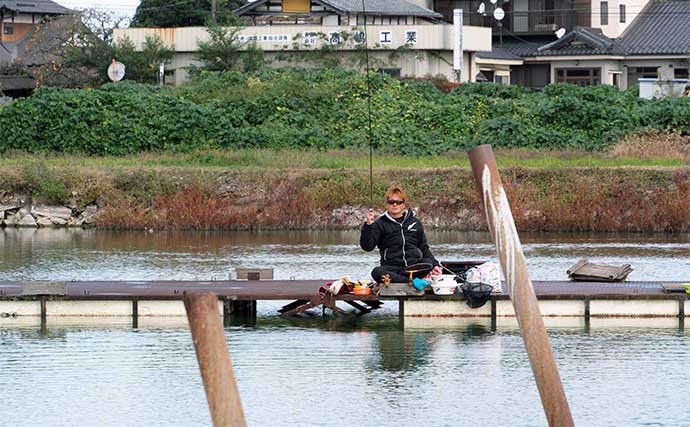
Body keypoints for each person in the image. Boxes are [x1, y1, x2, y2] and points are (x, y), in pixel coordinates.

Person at [360, 185, 442, 283]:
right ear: (386, 204)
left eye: (398, 202)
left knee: (428, 263)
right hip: (391, 268)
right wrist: (368, 225)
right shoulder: (379, 223)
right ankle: (410, 282)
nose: (395, 205)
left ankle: (405, 280)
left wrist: (435, 265)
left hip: (414, 267)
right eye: (391, 202)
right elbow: (367, 247)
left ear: (403, 205)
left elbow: (424, 248)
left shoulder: (415, 222)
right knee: (376, 272)